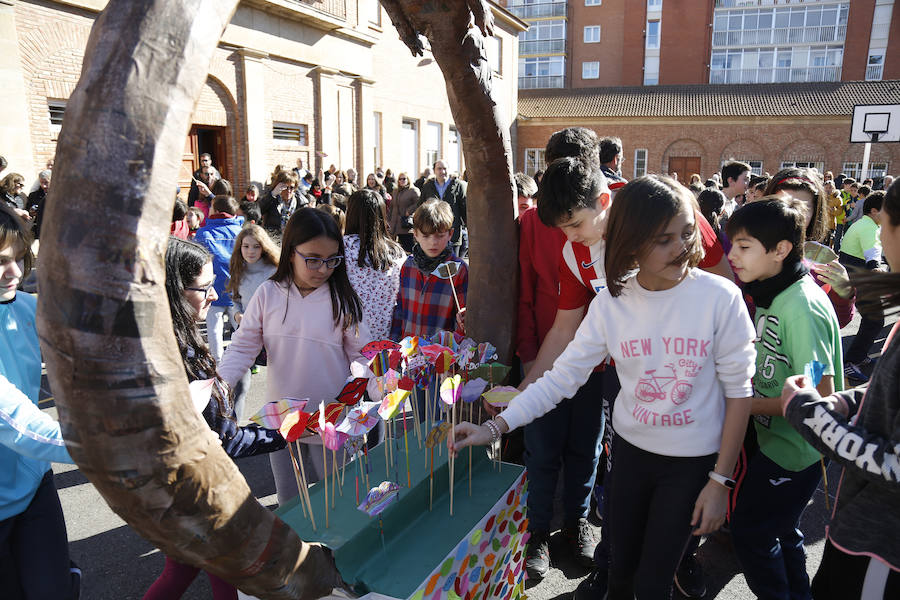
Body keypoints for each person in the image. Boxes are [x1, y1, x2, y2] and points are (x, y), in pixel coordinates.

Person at [452, 175, 756, 600]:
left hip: (692, 466)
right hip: (630, 458)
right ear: (630, 243)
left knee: (653, 584)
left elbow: (739, 393)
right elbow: (562, 377)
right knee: (619, 575)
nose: (684, 247)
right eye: (665, 239)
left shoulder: (721, 298)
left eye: (688, 232)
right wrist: (496, 427)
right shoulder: (611, 303)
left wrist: (720, 481)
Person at [143, 237, 284, 600]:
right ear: (173, 290)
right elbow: (228, 439)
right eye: (203, 288)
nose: (213, 296)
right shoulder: (169, 357)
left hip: (181, 494)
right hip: (197, 494)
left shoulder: (174, 339)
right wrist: (283, 432)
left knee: (181, 573)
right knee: (228, 572)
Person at [779, 179, 900, 600]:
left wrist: (813, 416)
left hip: (882, 548)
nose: (879, 235)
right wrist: (846, 400)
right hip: (858, 531)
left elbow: (895, 464)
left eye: (883, 224)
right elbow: (886, 394)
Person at [725, 197, 843, 600]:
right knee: (782, 529)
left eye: (743, 247)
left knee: (751, 533)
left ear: (781, 250)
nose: (731, 256)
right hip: (774, 440)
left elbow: (818, 394)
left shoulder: (802, 306)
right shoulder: (774, 290)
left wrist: (742, 405)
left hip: (794, 451)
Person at [217, 208, 371, 504]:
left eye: (332, 260)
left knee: (338, 500)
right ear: (290, 253)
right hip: (282, 422)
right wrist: (218, 389)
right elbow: (242, 346)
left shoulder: (342, 300)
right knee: (290, 502)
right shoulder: (268, 293)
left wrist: (377, 384)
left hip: (331, 421)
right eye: (312, 259)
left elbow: (363, 356)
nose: (323, 269)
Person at [0, 205, 80, 599]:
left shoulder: (28, 308)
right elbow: (15, 422)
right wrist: (117, 448)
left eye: (19, 259)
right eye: (0, 262)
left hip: (33, 483)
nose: (15, 273)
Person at [765, 168, 855, 328]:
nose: (793, 214)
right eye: (783, 204)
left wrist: (843, 293)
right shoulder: (747, 248)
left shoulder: (822, 257)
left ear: (816, 212)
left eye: (804, 207)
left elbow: (838, 321)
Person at [390, 199, 467, 341]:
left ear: (450, 234)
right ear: (415, 234)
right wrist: (393, 343)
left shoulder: (459, 270)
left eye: (440, 235)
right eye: (426, 236)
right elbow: (400, 310)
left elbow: (463, 318)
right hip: (409, 352)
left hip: (442, 356)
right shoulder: (408, 266)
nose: (433, 242)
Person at [343, 189, 406, 341]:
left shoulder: (342, 248)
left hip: (350, 337)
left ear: (350, 213)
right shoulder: (397, 252)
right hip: (387, 336)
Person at [839, 192, 886, 382]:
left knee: (873, 320)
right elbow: (872, 254)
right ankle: (851, 361)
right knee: (875, 320)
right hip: (860, 277)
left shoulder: (864, 223)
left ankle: (858, 355)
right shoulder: (868, 227)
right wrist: (877, 269)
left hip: (854, 275)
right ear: (874, 211)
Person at [193, 195, 244, 363]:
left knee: (214, 330)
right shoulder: (241, 232)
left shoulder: (203, 233)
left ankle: (218, 363)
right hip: (237, 288)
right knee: (240, 327)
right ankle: (243, 358)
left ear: (216, 210)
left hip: (212, 290)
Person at [420, 160, 467, 256]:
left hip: (453, 235)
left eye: (445, 168)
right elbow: (421, 207)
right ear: (434, 171)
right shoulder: (428, 187)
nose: (442, 171)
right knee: (436, 268)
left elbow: (465, 210)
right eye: (439, 169)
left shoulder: (458, 186)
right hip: (432, 235)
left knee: (452, 268)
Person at [387, 171, 420, 252]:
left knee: (408, 248)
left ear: (408, 179)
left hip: (406, 225)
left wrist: (409, 211)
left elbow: (419, 203)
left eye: (404, 179)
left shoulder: (413, 191)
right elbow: (391, 207)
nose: (402, 181)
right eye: (400, 179)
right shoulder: (395, 191)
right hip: (394, 226)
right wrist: (388, 220)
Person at [260, 169, 299, 236]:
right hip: (274, 239)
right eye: (285, 187)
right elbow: (259, 210)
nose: (289, 191)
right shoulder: (272, 199)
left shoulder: (300, 202)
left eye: (291, 188)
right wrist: (272, 194)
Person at [26, 170, 51, 240]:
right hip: (38, 232)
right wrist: (30, 212)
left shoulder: (59, 196)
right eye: (41, 183)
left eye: (46, 182)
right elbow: (27, 211)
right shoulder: (33, 196)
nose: (43, 186)